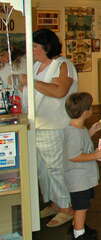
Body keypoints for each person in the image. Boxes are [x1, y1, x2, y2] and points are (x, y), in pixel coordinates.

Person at [29, 28, 79, 228]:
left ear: (46, 46)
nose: (32, 50)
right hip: (37, 125)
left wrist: (31, 83)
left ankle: (66, 207)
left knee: (55, 168)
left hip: (54, 126)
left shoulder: (63, 65)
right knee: (42, 169)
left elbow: (59, 91)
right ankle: (55, 202)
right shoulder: (37, 65)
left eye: (35, 47)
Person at [63, 92, 101, 240]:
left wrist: (91, 132)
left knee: (81, 204)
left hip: (82, 177)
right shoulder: (74, 132)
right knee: (81, 206)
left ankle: (78, 226)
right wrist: (95, 155)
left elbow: (77, 145)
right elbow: (74, 155)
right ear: (85, 111)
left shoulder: (77, 128)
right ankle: (79, 235)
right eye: (90, 107)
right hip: (78, 179)